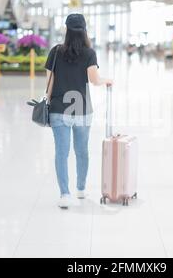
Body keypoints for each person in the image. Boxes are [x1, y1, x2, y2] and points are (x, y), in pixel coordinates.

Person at [44, 13, 113, 209]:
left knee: (61, 153)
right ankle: (81, 189)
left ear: (66, 30)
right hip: (82, 110)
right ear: (84, 31)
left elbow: (49, 84)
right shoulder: (89, 53)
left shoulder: (55, 52)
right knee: (82, 151)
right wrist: (107, 80)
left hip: (59, 110)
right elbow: (94, 80)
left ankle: (65, 194)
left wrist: (48, 106)